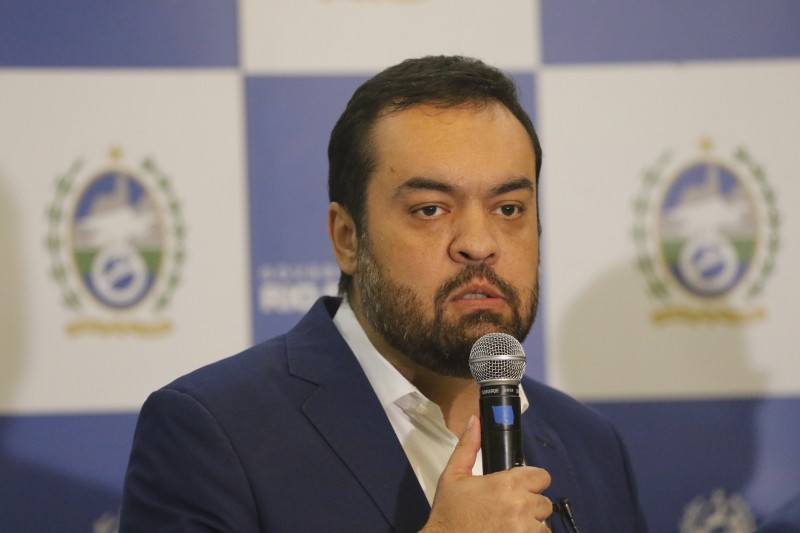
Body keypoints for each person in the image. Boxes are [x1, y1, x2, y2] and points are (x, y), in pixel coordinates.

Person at [120, 55, 648, 532]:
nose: (479, 243)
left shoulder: (590, 443)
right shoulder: (214, 432)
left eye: (508, 209)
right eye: (430, 209)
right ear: (347, 238)